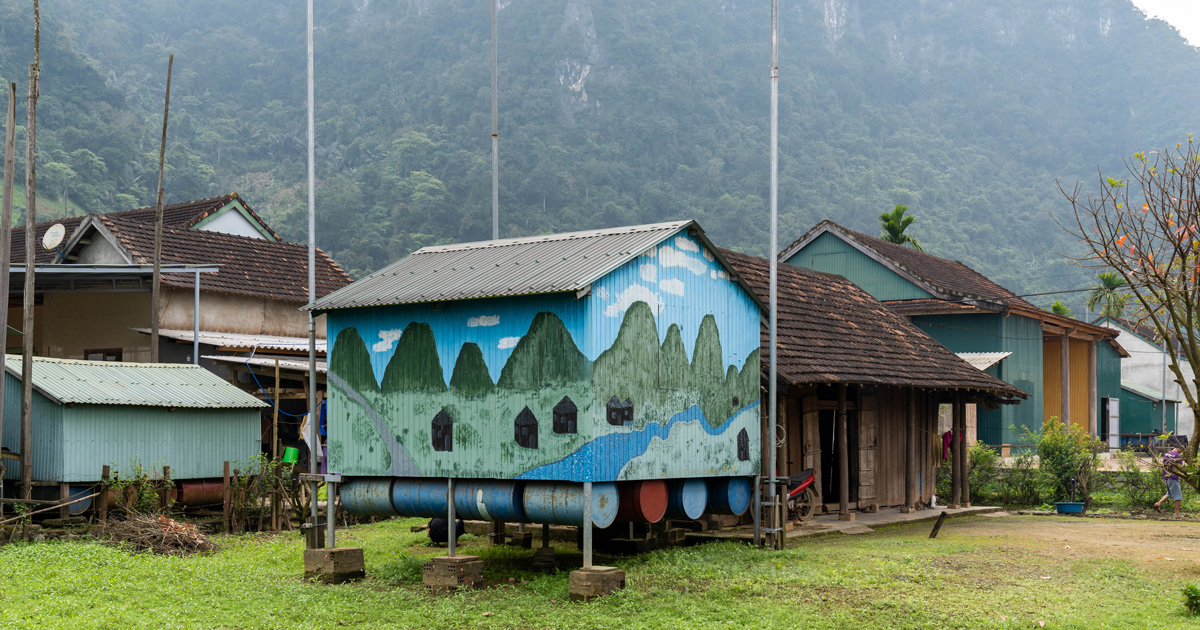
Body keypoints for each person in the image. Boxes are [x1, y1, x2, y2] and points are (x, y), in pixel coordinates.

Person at [1154, 447, 1184, 518]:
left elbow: (1163, 467)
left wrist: (1164, 477)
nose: (1182, 452)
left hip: (1167, 477)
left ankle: (1158, 503)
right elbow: (1181, 467)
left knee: (1169, 493)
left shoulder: (1167, 454)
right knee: (1178, 496)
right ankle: (1177, 513)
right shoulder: (1178, 456)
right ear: (1178, 448)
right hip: (1173, 477)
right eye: (1182, 450)